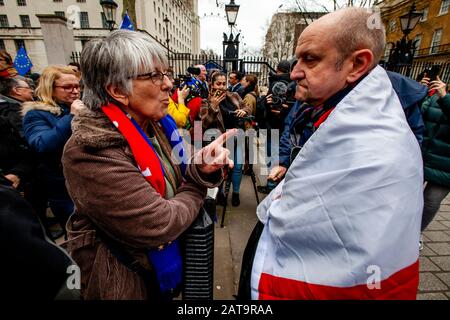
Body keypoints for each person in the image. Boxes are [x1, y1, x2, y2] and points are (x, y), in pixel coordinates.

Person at [239, 7, 423, 300]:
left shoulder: (377, 145)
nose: (295, 71)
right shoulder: (323, 106)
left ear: (357, 64)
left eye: (310, 59)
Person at [61, 30, 234, 300]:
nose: (168, 84)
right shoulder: (90, 150)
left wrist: (202, 167)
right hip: (120, 282)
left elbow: (185, 167)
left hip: (157, 273)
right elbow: (160, 223)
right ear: (117, 90)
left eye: (165, 73)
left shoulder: (157, 125)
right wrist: (197, 188)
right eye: (154, 76)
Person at [22, 65, 84, 233]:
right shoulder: (36, 114)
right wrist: (71, 117)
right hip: (64, 191)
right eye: (67, 87)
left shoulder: (81, 109)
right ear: (50, 88)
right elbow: (43, 145)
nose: (75, 91)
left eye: (77, 86)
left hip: (88, 183)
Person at [200, 72, 252, 207]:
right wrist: (213, 107)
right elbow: (204, 123)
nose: (222, 87)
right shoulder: (205, 101)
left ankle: (235, 193)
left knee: (238, 166)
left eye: (224, 84)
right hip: (219, 140)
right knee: (220, 167)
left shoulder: (234, 96)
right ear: (212, 85)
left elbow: (247, 106)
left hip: (237, 136)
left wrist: (244, 111)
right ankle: (220, 193)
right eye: (218, 84)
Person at [419, 74, 450, 232]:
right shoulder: (436, 97)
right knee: (409, 196)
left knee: (430, 201)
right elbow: (416, 116)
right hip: (423, 157)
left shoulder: (444, 98)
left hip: (445, 166)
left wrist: (445, 99)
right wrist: (419, 93)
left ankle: (416, 233)